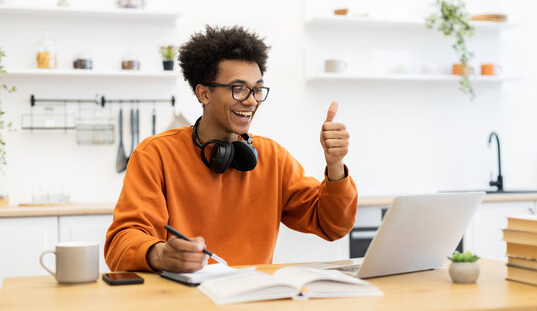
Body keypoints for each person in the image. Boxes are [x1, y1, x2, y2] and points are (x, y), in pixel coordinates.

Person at [105, 25, 358, 273]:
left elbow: (333, 225)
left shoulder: (272, 157)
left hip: (251, 301)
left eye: (257, 89)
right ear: (204, 94)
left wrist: (335, 165)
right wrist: (160, 254)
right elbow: (121, 243)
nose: (250, 100)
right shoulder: (155, 154)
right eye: (238, 88)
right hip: (181, 304)